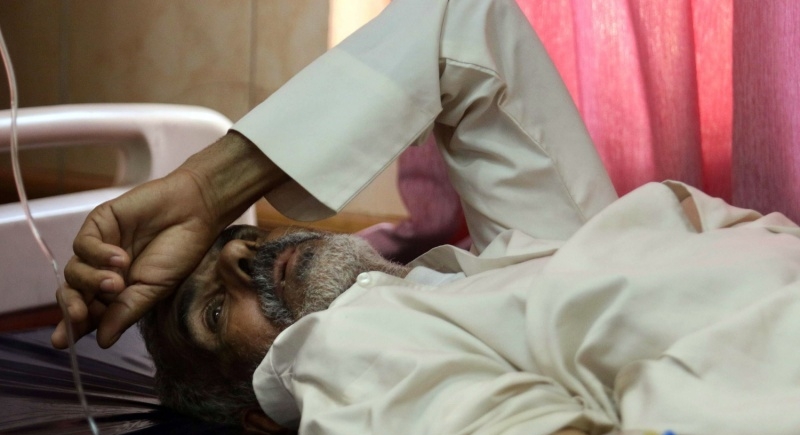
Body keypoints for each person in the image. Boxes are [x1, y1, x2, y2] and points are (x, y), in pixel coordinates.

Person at [53, 0, 800, 434]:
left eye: (241, 239)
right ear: (263, 419)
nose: (240, 258)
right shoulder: (338, 350)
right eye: (216, 312)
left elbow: (463, 22)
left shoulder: (539, 262)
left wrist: (207, 188)